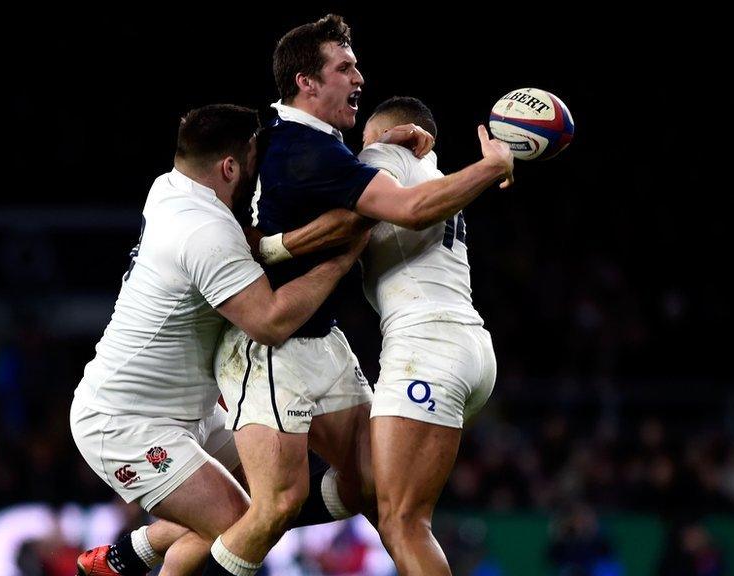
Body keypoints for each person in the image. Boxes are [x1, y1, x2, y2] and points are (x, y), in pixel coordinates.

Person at [204, 15, 513, 576]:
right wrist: (491, 167)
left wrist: (379, 144)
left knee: (376, 499)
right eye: (344, 67)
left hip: (345, 341)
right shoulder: (310, 150)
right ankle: (168, 539)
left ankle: (184, 532)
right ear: (306, 81)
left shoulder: (328, 150)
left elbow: (346, 200)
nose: (358, 76)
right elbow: (402, 207)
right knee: (286, 505)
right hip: (273, 347)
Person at [69, 104, 367, 576]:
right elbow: (270, 321)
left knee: (278, 497)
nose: (260, 169)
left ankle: (126, 556)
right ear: (229, 168)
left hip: (194, 413)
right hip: (125, 424)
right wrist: (340, 260)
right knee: (237, 525)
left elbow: (247, 243)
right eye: (253, 159)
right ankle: (130, 555)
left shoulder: (171, 186)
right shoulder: (206, 231)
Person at [265, 96, 502, 575]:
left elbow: (348, 199)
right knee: (373, 489)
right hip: (470, 350)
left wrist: (271, 247)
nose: (357, 148)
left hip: (426, 349)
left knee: (402, 521)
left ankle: (258, 512)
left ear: (389, 134)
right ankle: (260, 513)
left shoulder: (383, 161)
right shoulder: (435, 177)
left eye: (366, 137)